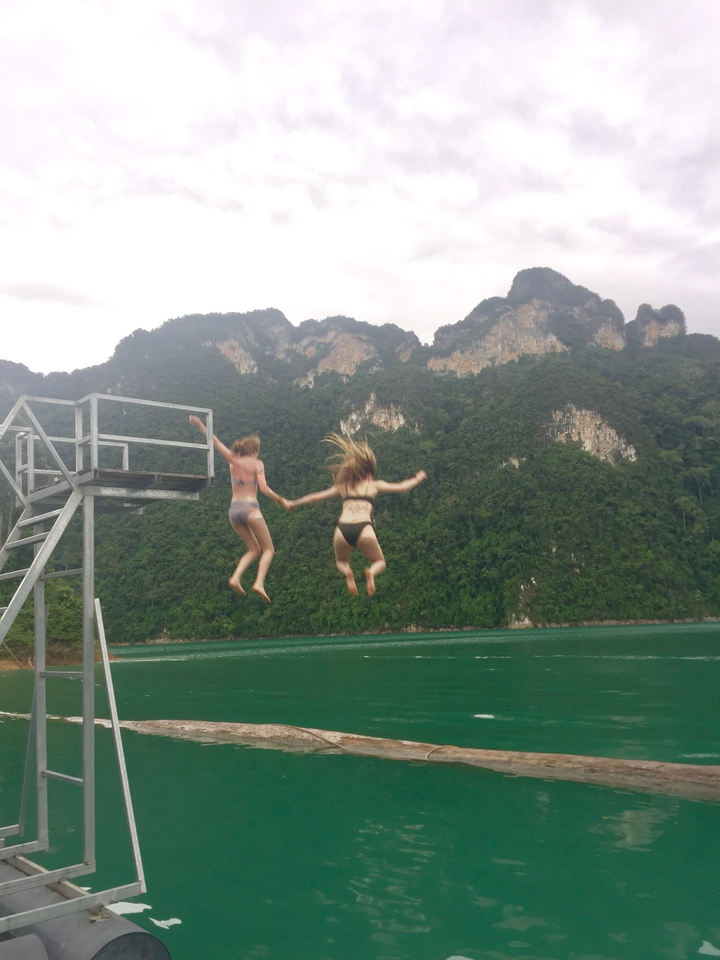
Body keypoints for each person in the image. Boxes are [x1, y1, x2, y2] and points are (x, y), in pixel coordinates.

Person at [288, 433, 426, 596]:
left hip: (342, 529)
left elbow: (314, 497)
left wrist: (294, 503)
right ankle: (371, 573)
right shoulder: (374, 485)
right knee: (379, 561)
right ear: (368, 474)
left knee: (341, 561)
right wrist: (418, 478)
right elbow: (402, 487)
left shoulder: (343, 487)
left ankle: (348, 573)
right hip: (363, 527)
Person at [189, 415, 290, 603]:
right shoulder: (257, 464)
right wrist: (281, 499)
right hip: (251, 509)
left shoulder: (232, 460)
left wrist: (199, 424)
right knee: (268, 549)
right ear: (255, 450)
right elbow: (264, 488)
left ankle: (236, 578)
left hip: (234, 511)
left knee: (253, 549)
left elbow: (215, 440)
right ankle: (259, 582)